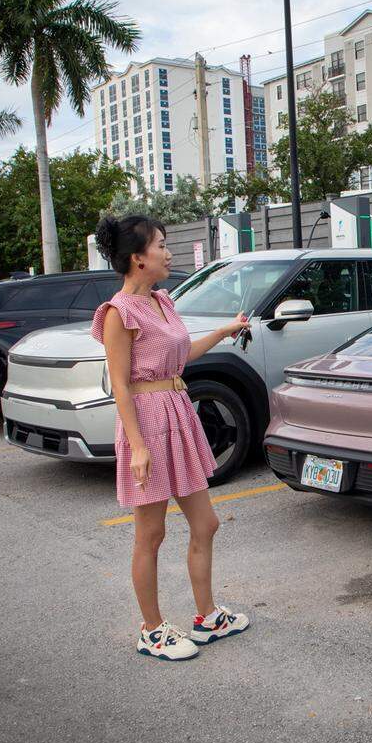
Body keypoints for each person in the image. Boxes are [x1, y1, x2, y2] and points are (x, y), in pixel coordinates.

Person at [92, 214, 252, 661]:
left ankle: (207, 617)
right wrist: (138, 445)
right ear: (138, 258)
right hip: (146, 419)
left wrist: (222, 331)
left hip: (178, 412)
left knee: (206, 523)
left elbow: (179, 356)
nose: (168, 251)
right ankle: (152, 629)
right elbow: (120, 383)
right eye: (160, 245)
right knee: (151, 533)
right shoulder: (117, 312)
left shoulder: (163, 301)